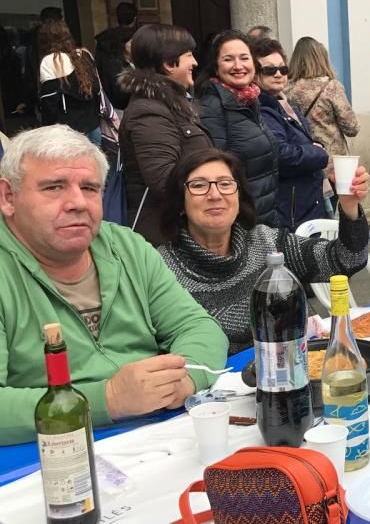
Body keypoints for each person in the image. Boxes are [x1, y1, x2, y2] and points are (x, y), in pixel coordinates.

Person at [0, 125, 228, 445]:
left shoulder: (125, 246)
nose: (77, 202)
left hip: (159, 438)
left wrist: (186, 379)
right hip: (43, 459)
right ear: (8, 197)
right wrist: (106, 399)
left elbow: (200, 328)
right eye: (54, 187)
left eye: (90, 188)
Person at [158, 148, 368, 353]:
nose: (215, 194)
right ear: (180, 202)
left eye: (225, 184)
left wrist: (349, 206)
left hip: (286, 371)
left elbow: (347, 259)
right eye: (198, 185)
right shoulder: (159, 270)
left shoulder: (266, 243)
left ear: (239, 198)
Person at [118, 24, 213, 245]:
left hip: (182, 226)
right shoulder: (149, 110)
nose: (195, 63)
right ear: (169, 63)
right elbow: (163, 180)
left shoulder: (172, 103)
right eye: (189, 55)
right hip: (165, 234)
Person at [195, 30, 280, 227]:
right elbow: (215, 169)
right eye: (228, 59)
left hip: (264, 216)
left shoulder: (251, 100)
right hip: (240, 222)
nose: (238, 66)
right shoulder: (212, 106)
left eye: (244, 58)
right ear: (216, 67)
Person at [252, 38, 329, 230]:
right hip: (290, 209)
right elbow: (282, 155)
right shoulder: (263, 108)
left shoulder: (284, 103)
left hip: (305, 201)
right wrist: (318, 153)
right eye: (270, 70)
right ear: (254, 73)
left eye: (283, 69)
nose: (278, 74)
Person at [285, 36, 360, 172]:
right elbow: (352, 128)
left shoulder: (285, 89)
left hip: (301, 158)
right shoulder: (331, 86)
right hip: (330, 162)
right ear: (321, 59)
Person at [36, 21, 101, 146]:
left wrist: (47, 132)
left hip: (67, 133)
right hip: (93, 126)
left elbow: (49, 104)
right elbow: (97, 91)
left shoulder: (50, 62)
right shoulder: (84, 55)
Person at [94, 2, 137, 109]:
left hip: (106, 97)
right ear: (135, 18)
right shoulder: (137, 37)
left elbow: (98, 65)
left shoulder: (104, 39)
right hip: (130, 100)